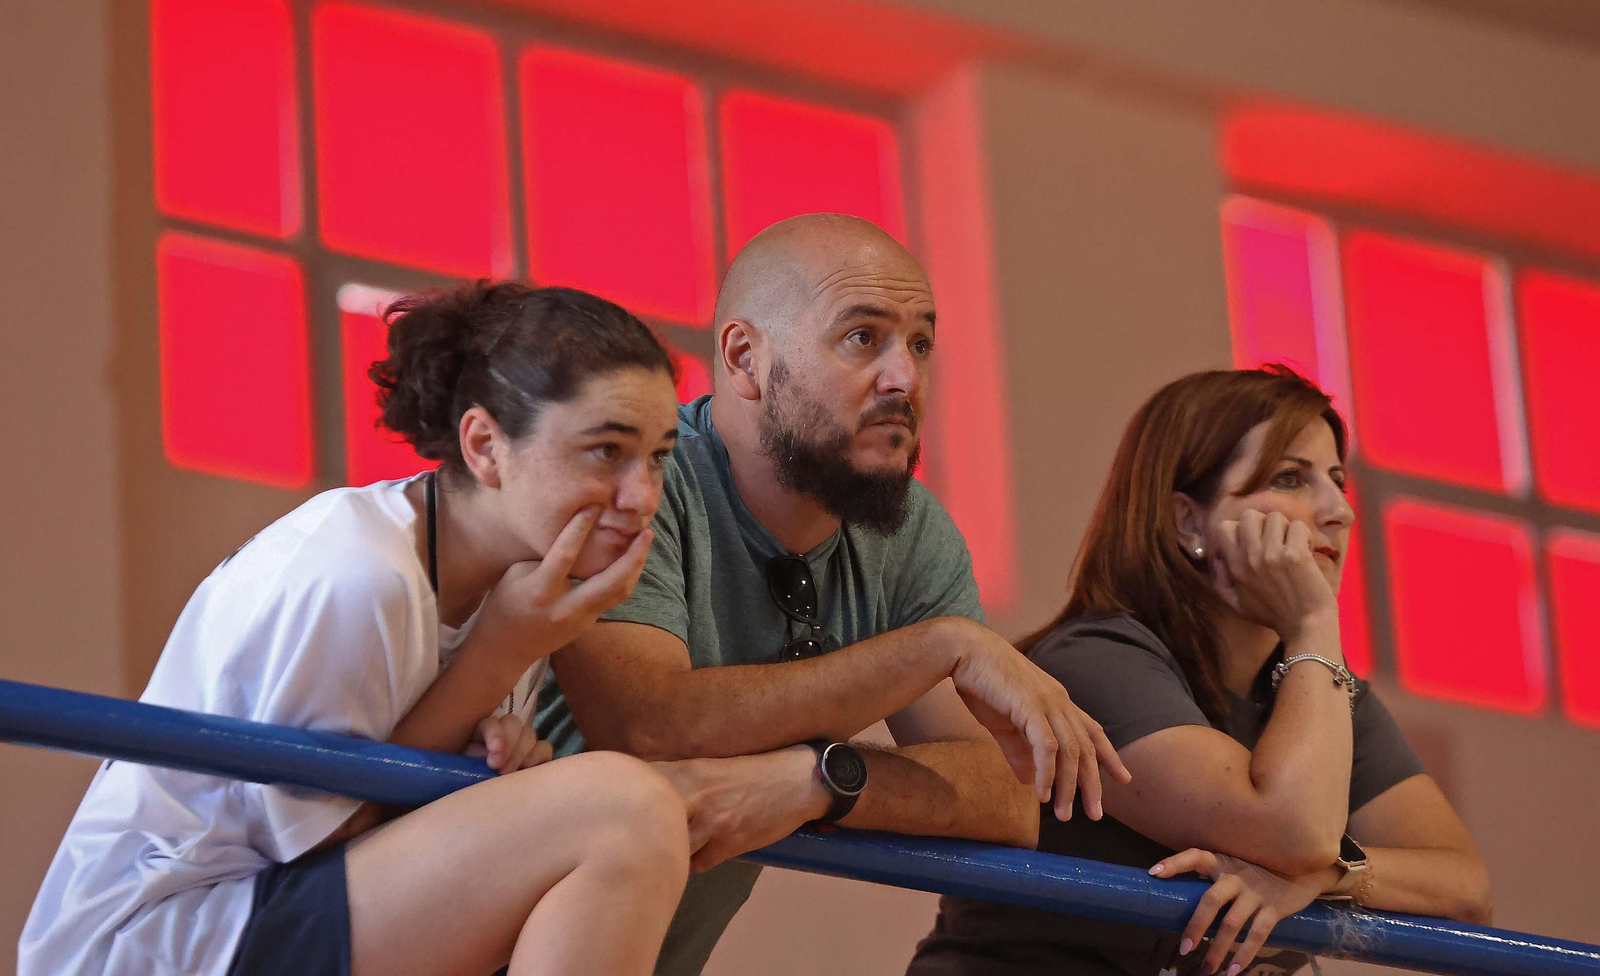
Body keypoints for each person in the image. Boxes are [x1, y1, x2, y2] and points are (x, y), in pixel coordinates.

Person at [20, 283, 694, 976]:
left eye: (659, 457)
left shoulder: (518, 584)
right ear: (486, 445)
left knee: (609, 814)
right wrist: (496, 660)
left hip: (263, 919)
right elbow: (320, 844)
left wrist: (486, 773)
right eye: (607, 451)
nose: (643, 497)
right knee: (626, 812)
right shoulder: (354, 573)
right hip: (163, 938)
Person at [533, 213, 1131, 976]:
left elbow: (1003, 797)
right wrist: (936, 648)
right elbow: (648, 725)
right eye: (862, 338)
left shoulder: (912, 531)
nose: (904, 379)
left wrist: (819, 778)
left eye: (920, 343)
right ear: (744, 358)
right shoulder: (641, 482)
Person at [908, 365, 1493, 976]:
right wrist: (1315, 624)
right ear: (1189, 521)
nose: (1337, 511)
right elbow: (1293, 832)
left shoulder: (1313, 684)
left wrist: (1331, 875)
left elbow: (1465, 885)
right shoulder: (1094, 659)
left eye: (1337, 480)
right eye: (1290, 478)